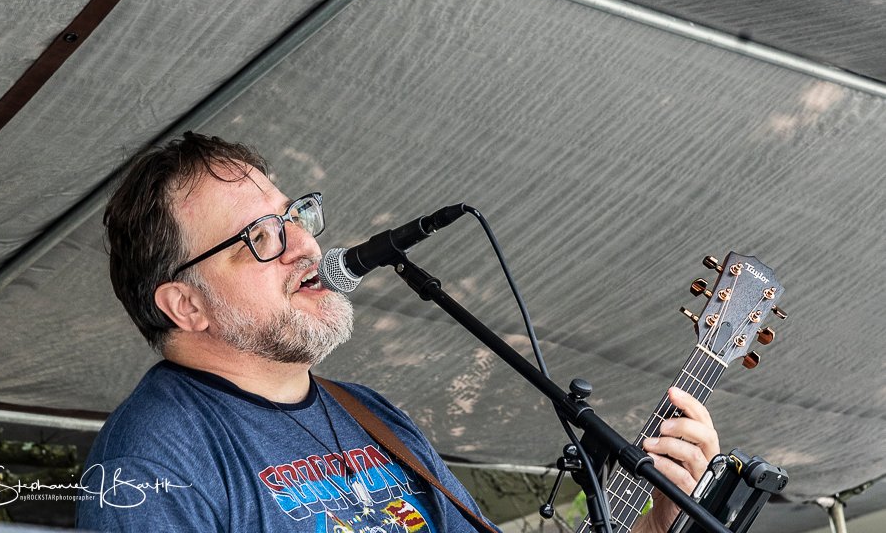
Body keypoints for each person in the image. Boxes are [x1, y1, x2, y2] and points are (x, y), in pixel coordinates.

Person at [76, 132, 719, 532]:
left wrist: (654, 528)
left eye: (295, 216)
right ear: (187, 305)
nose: (305, 245)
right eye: (262, 237)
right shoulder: (151, 462)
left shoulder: (374, 415)